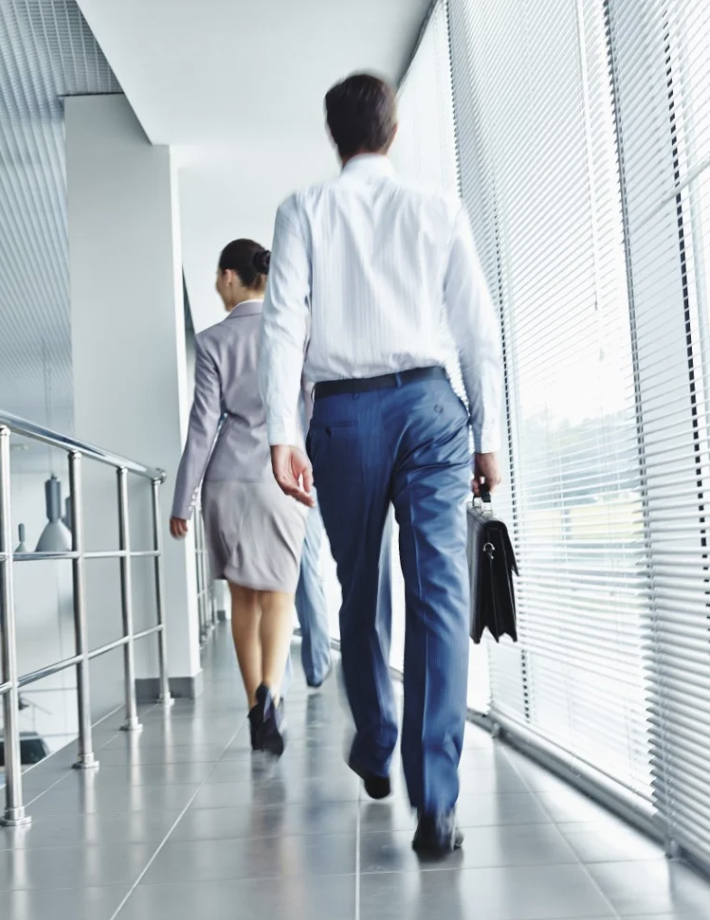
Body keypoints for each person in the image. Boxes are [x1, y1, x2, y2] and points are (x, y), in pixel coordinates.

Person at [258, 73, 503, 854]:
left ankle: (375, 744)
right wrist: (489, 435)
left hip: (344, 415)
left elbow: (281, 324)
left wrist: (281, 433)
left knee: (360, 588)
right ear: (393, 132)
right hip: (432, 409)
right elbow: (476, 328)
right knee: (439, 594)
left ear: (335, 137)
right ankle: (437, 802)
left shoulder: (303, 209)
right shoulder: (439, 208)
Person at [170, 239, 306, 757]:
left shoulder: (211, 342)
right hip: (281, 477)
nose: (214, 285)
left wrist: (182, 500)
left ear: (230, 276)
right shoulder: (292, 330)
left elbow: (202, 428)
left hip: (226, 480)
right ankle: (272, 689)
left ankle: (256, 709)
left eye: (216, 276)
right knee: (280, 594)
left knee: (243, 598)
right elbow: (308, 403)